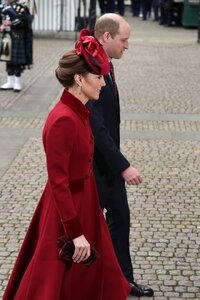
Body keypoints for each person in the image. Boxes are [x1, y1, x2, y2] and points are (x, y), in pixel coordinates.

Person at [3, 29, 131, 300]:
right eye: (98, 77)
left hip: (85, 204)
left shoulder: (78, 112)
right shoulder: (63, 120)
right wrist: (75, 233)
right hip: (67, 211)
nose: (103, 84)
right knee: (52, 280)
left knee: (95, 276)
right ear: (78, 79)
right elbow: (58, 181)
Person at [87, 13, 154, 297]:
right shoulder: (90, 68)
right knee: (88, 229)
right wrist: (124, 166)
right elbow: (97, 127)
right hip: (94, 167)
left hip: (110, 165)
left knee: (120, 220)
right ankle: (83, 284)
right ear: (106, 37)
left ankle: (122, 281)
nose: (127, 46)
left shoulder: (106, 64)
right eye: (124, 40)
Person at [0, 0, 33, 92]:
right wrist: (1, 26)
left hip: (18, 36)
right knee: (8, 59)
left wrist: (11, 23)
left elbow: (26, 20)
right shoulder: (3, 5)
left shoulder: (21, 5)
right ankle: (10, 81)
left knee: (17, 60)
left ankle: (17, 82)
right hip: (6, 36)